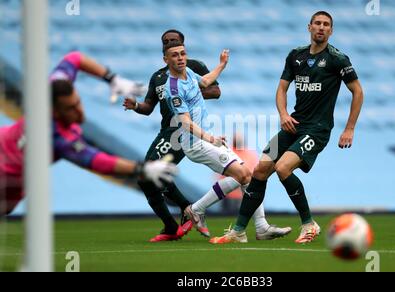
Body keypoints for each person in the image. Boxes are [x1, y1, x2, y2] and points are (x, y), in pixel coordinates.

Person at [210, 11, 364, 244]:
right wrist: (283, 114)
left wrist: (350, 128)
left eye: (326, 25)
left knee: (282, 168)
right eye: (317, 23)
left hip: (317, 129)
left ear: (331, 31)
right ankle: (239, 231)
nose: (321, 28)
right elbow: (282, 89)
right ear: (309, 27)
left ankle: (309, 224)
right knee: (260, 171)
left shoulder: (337, 59)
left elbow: (358, 91)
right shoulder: (295, 56)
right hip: (293, 126)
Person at [0, 52, 178, 220]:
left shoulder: (56, 84)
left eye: (77, 102)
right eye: (70, 108)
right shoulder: (57, 137)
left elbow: (74, 58)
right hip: (7, 176)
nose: (79, 111)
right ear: (53, 111)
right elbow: (97, 161)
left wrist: (112, 79)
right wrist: (142, 169)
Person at [163, 40, 292, 240]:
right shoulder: (172, 89)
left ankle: (260, 226)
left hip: (204, 138)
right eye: (174, 55)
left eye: (182, 53)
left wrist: (221, 66)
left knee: (246, 176)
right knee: (243, 174)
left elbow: (205, 82)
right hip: (195, 143)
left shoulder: (188, 73)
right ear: (166, 59)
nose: (180, 58)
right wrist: (209, 138)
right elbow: (186, 122)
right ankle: (197, 210)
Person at [123, 29, 221, 242]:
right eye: (166, 42)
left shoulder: (193, 67)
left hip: (182, 129)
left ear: (183, 44)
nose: (170, 43)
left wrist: (186, 92)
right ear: (164, 52)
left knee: (150, 170)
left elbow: (215, 91)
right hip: (165, 130)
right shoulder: (158, 77)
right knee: (145, 179)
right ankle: (170, 226)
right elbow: (148, 107)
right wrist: (136, 105)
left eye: (174, 41)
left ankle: (187, 208)